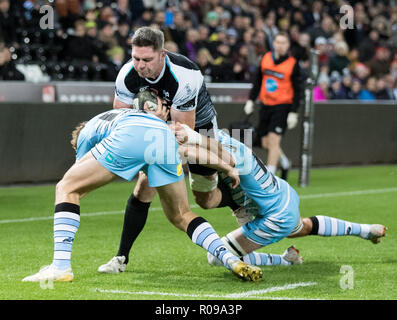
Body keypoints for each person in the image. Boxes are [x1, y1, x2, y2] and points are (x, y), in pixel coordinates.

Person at [21, 99, 262, 283]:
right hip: (160, 134)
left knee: (66, 188)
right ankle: (229, 258)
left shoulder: (86, 133)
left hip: (130, 136)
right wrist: (224, 165)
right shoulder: (119, 116)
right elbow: (187, 151)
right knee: (181, 215)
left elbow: (78, 176)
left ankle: (60, 267)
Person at [99, 26, 239, 273]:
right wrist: (148, 124)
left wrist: (152, 120)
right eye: (135, 58)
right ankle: (121, 258)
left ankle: (236, 200)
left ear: (162, 54)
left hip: (199, 130)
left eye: (147, 60)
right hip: (159, 128)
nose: (140, 66)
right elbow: (120, 120)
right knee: (144, 187)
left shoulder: (185, 75)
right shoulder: (126, 75)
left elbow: (181, 135)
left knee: (205, 199)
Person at [170, 124, 387, 268]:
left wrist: (182, 145)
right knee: (302, 228)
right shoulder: (226, 138)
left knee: (215, 257)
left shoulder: (235, 155)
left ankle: (284, 261)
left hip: (276, 216)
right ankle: (366, 230)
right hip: (284, 196)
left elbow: (195, 153)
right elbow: (209, 148)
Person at [244, 32, 301, 181]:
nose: (280, 45)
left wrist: (294, 112)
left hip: (282, 105)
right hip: (265, 104)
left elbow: (298, 90)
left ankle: (270, 178)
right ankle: (284, 162)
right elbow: (257, 81)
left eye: (283, 43)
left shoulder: (293, 64)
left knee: (274, 140)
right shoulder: (266, 58)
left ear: (288, 46)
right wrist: (251, 100)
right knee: (265, 142)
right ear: (273, 43)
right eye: (278, 42)